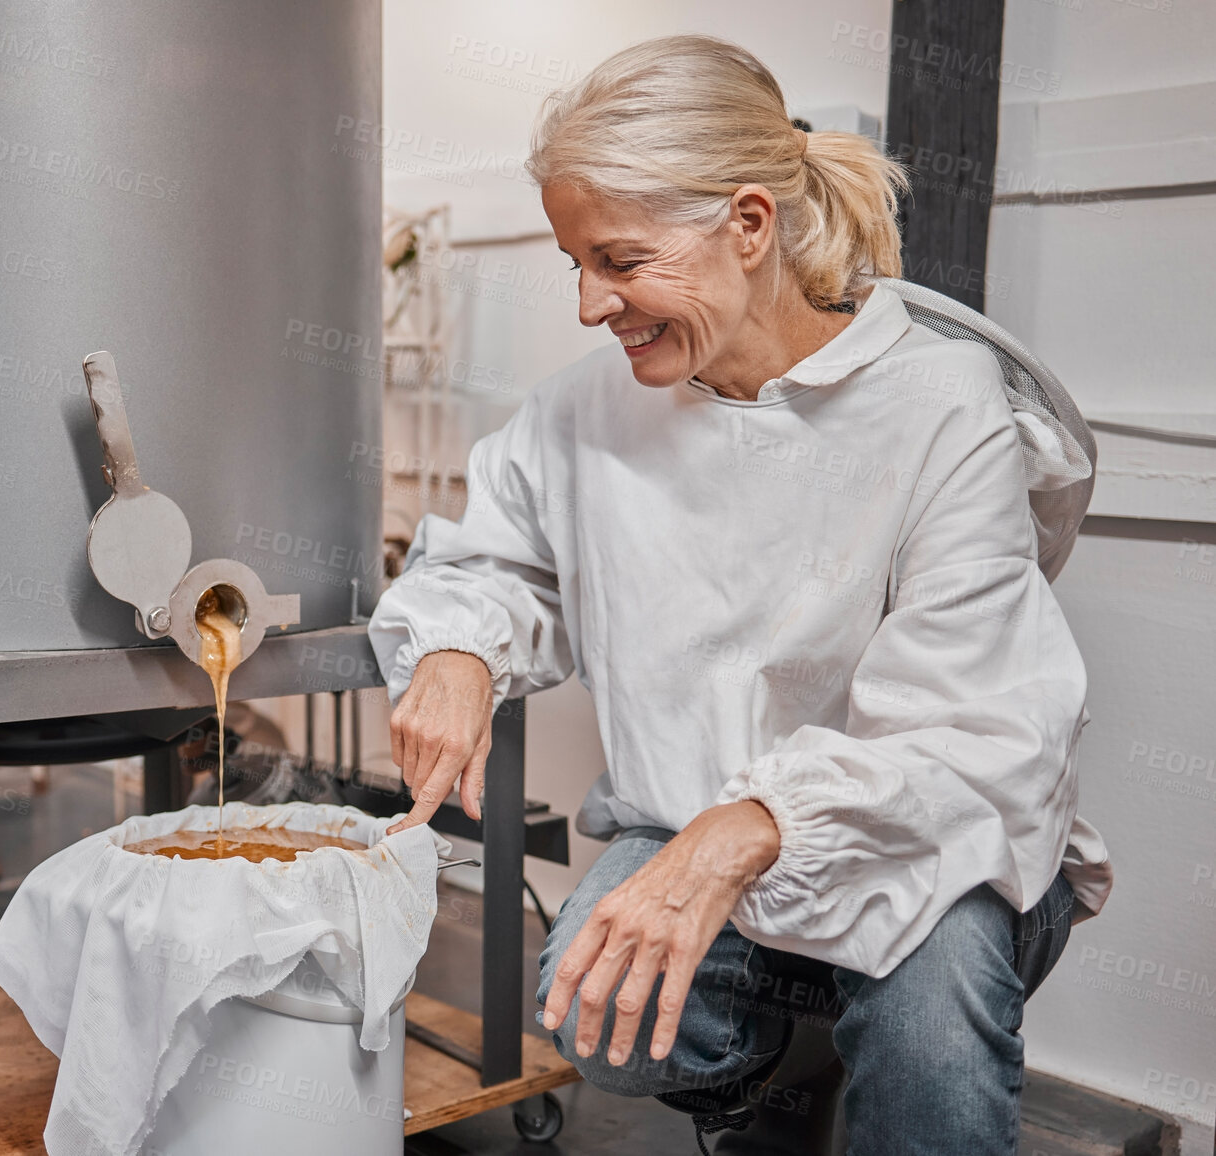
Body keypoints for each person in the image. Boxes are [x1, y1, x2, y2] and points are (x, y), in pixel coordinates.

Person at [367, 35, 1113, 1155]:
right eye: (576, 262)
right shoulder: (585, 412)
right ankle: (774, 1083)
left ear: (749, 224)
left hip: (922, 824)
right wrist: (457, 651)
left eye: (616, 260)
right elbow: (491, 557)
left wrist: (751, 826)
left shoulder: (933, 404)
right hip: (685, 810)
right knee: (592, 1001)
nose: (586, 304)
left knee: (927, 1033)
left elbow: (964, 730)